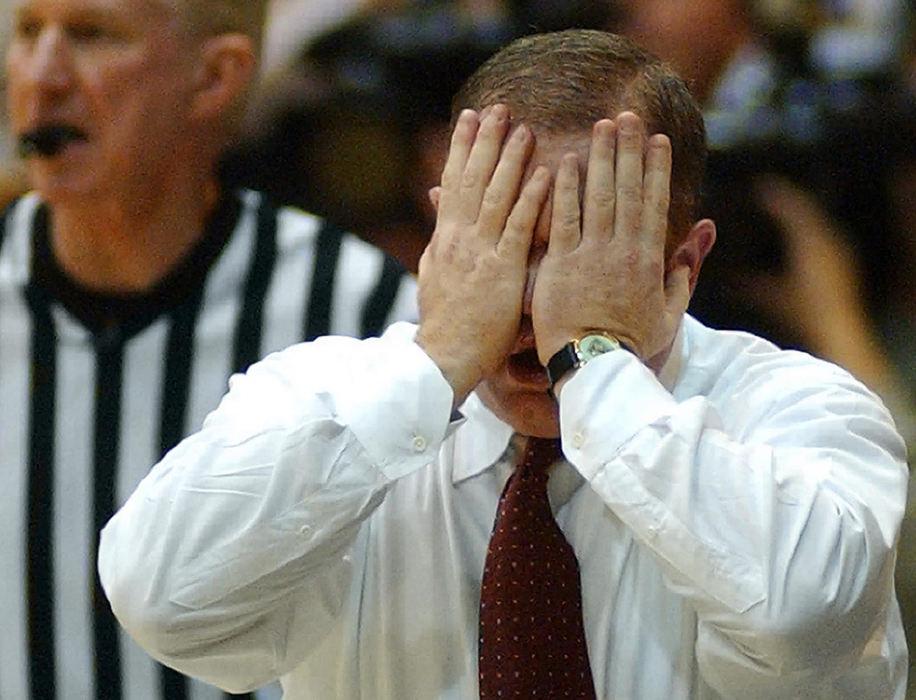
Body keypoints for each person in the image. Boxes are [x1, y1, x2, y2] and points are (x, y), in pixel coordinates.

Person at [99, 29, 907, 698]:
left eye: (578, 252)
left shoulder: (802, 410)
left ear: (682, 266)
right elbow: (159, 596)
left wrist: (593, 362)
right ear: (443, 236)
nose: (529, 307)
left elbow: (800, 617)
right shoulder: (323, 396)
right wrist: (440, 357)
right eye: (499, 244)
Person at [0, 0, 417, 698]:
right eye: (27, 31)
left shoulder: (364, 310)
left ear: (215, 78)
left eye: (92, 35)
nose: (41, 76)